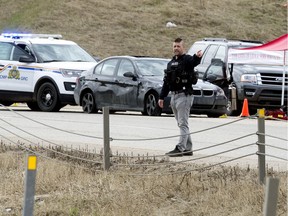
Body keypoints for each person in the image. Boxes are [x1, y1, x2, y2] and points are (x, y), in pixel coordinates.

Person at [158, 37, 203, 157]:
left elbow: (194, 61)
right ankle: (188, 148)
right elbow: (166, 82)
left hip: (184, 95)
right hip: (173, 96)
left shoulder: (187, 60)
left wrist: (198, 57)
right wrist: (161, 97)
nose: (176, 48)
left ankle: (180, 148)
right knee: (181, 124)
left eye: (178, 46)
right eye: (174, 46)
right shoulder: (170, 63)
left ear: (183, 47)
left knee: (183, 123)